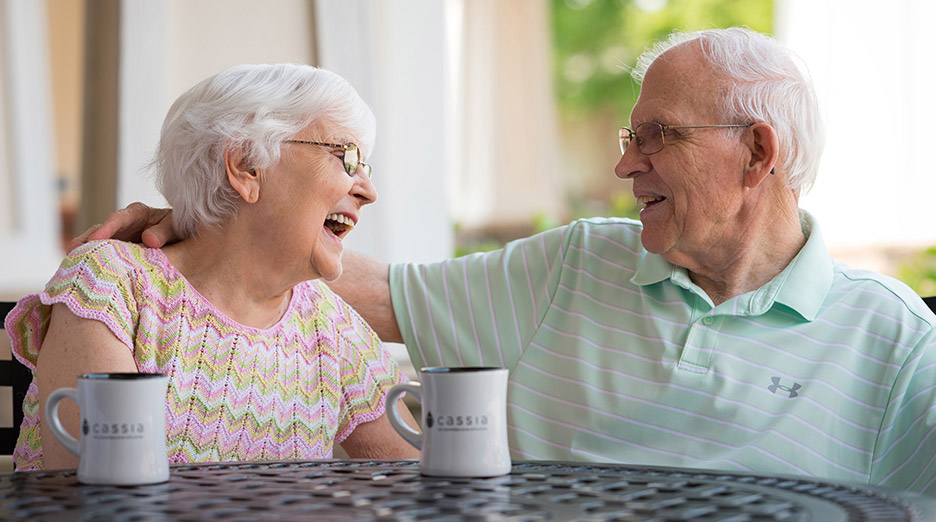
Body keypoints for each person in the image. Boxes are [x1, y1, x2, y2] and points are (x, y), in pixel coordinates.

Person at [75, 28, 936, 495]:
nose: (624, 164)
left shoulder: (896, 343)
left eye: (656, 138)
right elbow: (362, 293)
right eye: (628, 138)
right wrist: (214, 218)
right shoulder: (574, 266)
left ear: (758, 151)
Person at [7, 63, 420, 471]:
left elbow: (420, 484)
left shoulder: (333, 327)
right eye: (346, 157)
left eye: (365, 166)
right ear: (245, 165)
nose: (368, 190)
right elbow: (102, 495)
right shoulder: (110, 284)